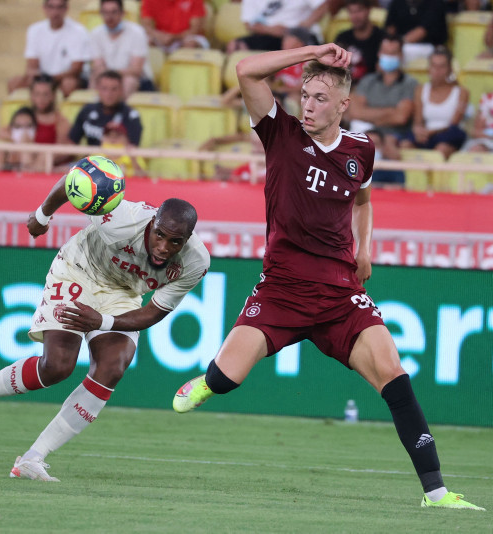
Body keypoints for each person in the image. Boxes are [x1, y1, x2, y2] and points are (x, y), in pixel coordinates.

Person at [172, 43, 485, 511]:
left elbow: (363, 201)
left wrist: (365, 248)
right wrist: (313, 51)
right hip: (281, 290)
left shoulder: (362, 150)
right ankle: (207, 380)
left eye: (320, 97)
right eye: (304, 94)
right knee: (226, 378)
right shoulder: (281, 134)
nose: (309, 105)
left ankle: (437, 493)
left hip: (341, 294)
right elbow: (245, 70)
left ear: (344, 104)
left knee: (395, 377)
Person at [0, 173, 210, 481]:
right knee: (57, 366)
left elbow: (153, 312)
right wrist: (42, 215)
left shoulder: (195, 262)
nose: (163, 247)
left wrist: (103, 322)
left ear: (187, 240)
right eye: (159, 235)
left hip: (123, 294)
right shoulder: (120, 218)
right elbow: (76, 179)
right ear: (152, 223)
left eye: (175, 241)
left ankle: (32, 458)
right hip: (79, 270)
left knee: (112, 367)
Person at [7, 0, 91, 98]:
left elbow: (76, 69)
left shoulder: (79, 31)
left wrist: (51, 79)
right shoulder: (34, 30)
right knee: (14, 83)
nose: (55, 12)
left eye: (59, 7)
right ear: (44, 9)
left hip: (68, 77)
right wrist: (40, 79)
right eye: (51, 7)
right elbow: (32, 65)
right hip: (43, 77)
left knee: (69, 84)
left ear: (66, 9)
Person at [396, 47, 469, 160]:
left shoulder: (461, 92)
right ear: (429, 68)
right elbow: (418, 121)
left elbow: (454, 123)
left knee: (441, 149)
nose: (437, 70)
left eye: (442, 66)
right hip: (426, 134)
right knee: (405, 146)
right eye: (434, 66)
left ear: (449, 69)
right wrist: (419, 131)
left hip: (447, 134)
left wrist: (431, 132)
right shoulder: (421, 89)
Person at [347, 35, 418, 139]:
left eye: (393, 53)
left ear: (401, 56)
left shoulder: (410, 83)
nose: (388, 56)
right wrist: (390, 111)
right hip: (366, 135)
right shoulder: (367, 80)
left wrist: (369, 115)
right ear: (379, 54)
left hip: (396, 137)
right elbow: (355, 113)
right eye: (385, 52)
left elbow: (401, 118)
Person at [91, 0, 155, 97]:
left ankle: (119, 111)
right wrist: (108, 78)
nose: (109, 17)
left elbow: (136, 70)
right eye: (105, 13)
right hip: (107, 76)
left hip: (138, 81)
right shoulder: (95, 34)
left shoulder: (137, 33)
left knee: (128, 81)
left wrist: (112, 75)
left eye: (114, 12)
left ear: (122, 13)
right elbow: (98, 66)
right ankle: (94, 110)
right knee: (94, 78)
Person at [69, 70, 142, 147]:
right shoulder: (86, 110)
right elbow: (71, 143)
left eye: (114, 89)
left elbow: (133, 148)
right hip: (92, 158)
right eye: (104, 88)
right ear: (97, 89)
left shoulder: (131, 115)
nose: (109, 94)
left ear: (121, 90)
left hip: (118, 158)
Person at [229, 0, 328, 53]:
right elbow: (249, 24)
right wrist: (272, 30)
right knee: (235, 45)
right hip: (268, 34)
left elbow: (323, 6)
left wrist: (302, 26)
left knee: (291, 42)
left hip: (300, 33)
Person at [334, 0, 384, 84]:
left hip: (373, 87)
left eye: (359, 11)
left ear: (369, 10)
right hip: (345, 87)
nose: (355, 16)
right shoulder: (342, 38)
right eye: (351, 12)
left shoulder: (382, 38)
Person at [0, 107, 45, 172]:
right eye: (18, 126)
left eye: (28, 126)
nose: (23, 131)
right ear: (11, 129)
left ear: (36, 129)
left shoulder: (42, 154)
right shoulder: (3, 152)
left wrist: (25, 148)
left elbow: (29, 176)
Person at [140, 0, 209, 52]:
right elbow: (146, 25)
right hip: (161, 37)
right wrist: (158, 35)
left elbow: (195, 29)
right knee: (144, 41)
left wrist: (173, 37)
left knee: (190, 44)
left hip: (187, 37)